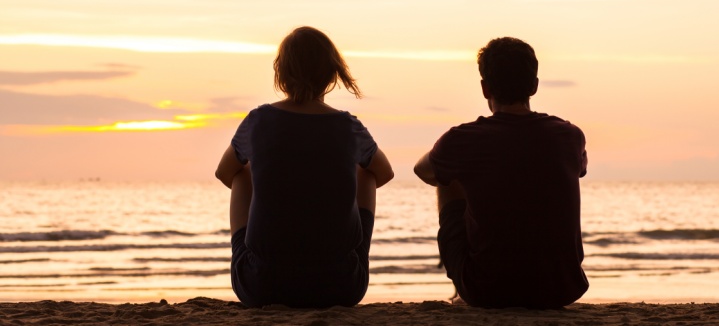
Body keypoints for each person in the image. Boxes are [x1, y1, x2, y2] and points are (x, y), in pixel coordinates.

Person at [215, 26, 394, 308]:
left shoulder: (258, 121)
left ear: (281, 74)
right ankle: (348, 258)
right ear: (332, 75)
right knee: (366, 172)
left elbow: (224, 172)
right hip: (341, 287)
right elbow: (384, 173)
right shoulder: (348, 127)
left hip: (262, 287)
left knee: (242, 172)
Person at [413, 37, 588, 309]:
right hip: (562, 289)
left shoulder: (463, 139)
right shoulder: (569, 135)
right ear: (534, 86)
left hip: (488, 291)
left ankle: (461, 289)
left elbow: (423, 171)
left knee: (447, 174)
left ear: (485, 88)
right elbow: (579, 169)